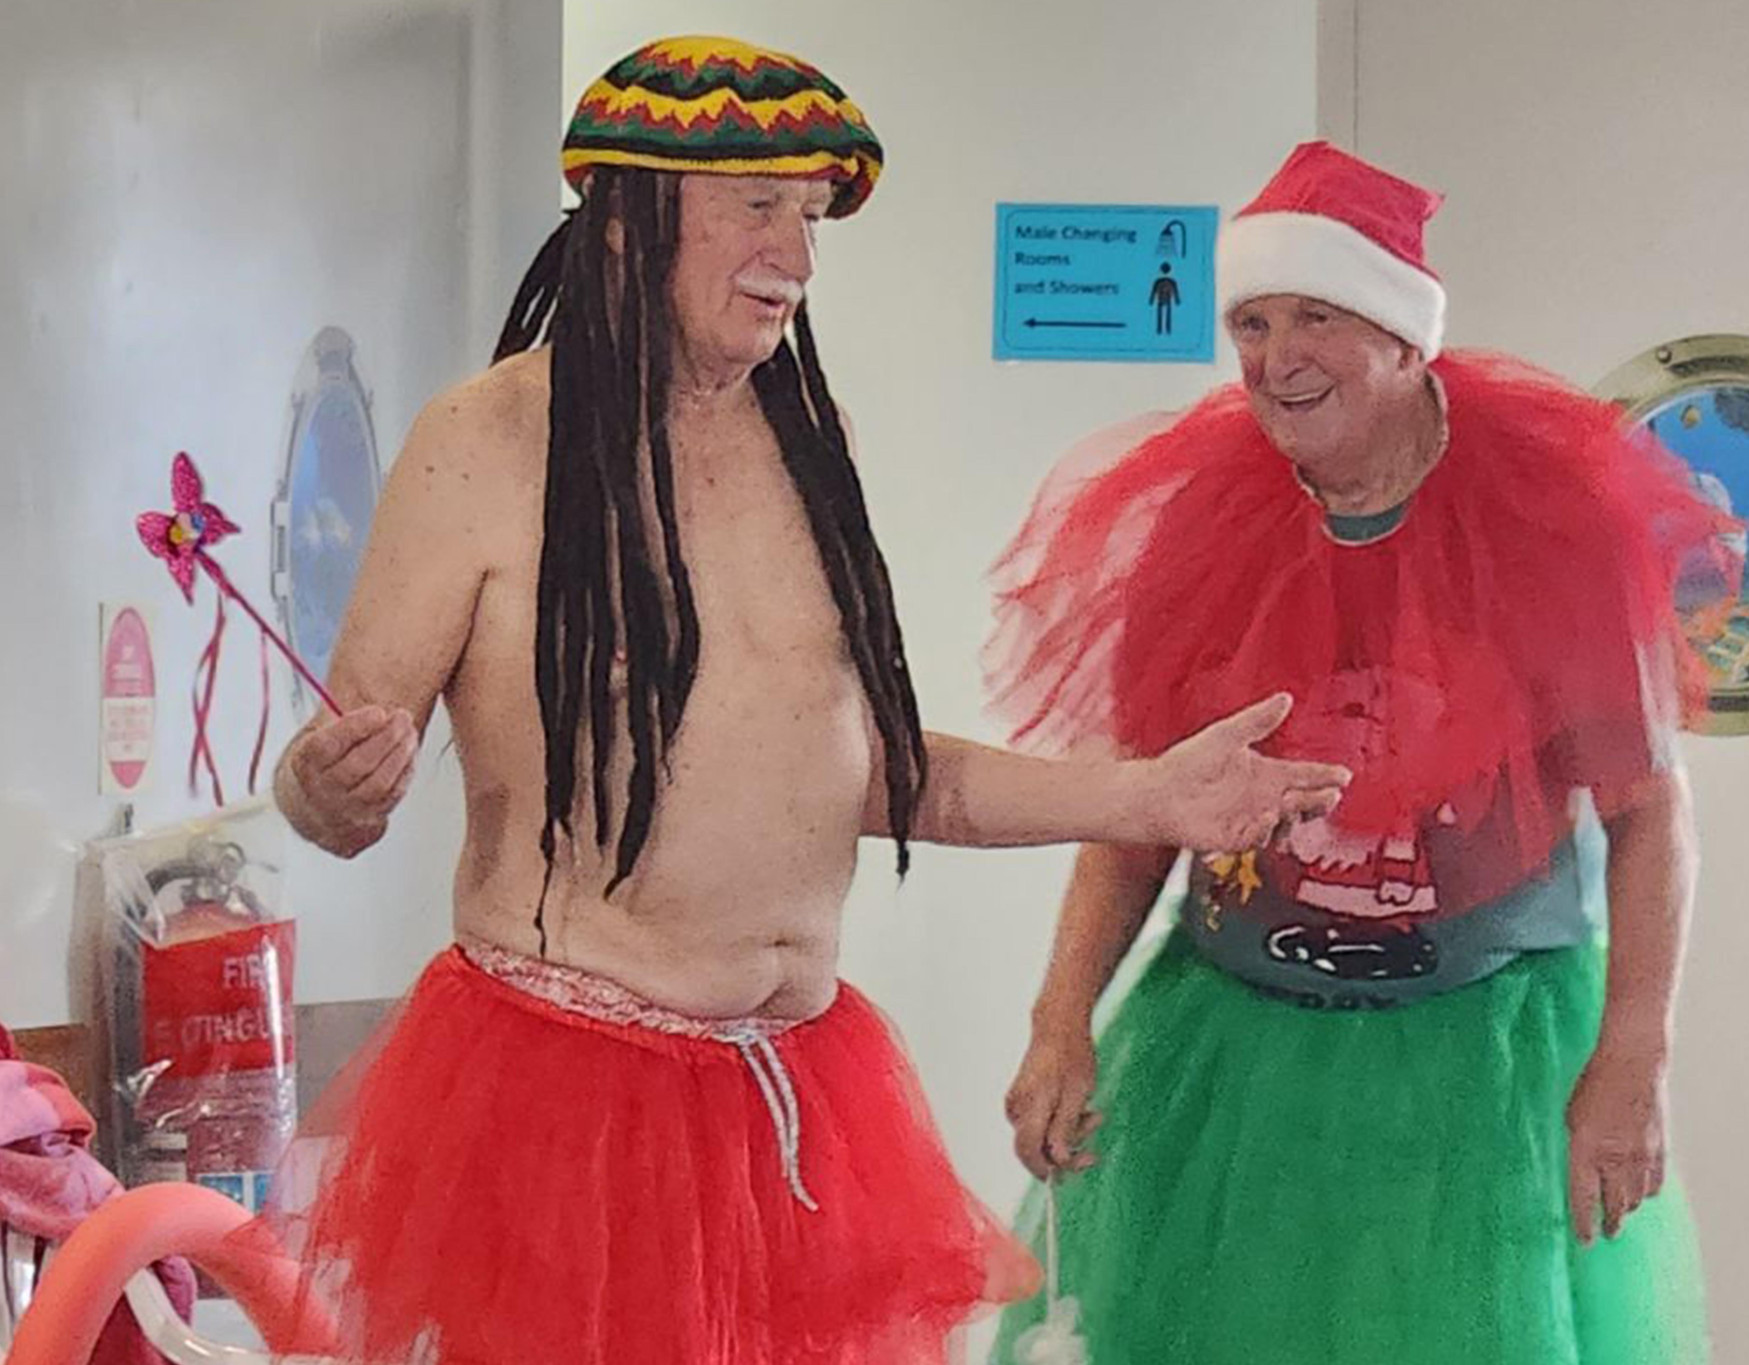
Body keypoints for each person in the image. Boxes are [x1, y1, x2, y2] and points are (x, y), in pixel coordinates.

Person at [261, 39, 1349, 1365]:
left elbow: (879, 773)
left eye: (812, 214)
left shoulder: (797, 444)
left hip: (796, 1101)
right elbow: (335, 793)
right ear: (626, 219)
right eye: (760, 205)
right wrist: (325, 788)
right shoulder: (482, 442)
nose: (800, 252)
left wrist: (1146, 792)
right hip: (568, 1107)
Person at [986, 141, 1726, 1364]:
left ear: (1400, 336)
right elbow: (1141, 804)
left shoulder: (1548, 527)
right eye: (1253, 324)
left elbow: (1647, 812)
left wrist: (1632, 1055)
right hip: (1230, 1043)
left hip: (1478, 1056)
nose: (1277, 361)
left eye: (1316, 318)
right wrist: (1058, 1018)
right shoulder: (1204, 521)